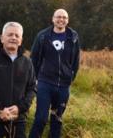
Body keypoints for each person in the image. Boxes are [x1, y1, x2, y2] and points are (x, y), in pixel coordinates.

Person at [29, 9, 81, 138]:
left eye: (64, 17)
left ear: (67, 21)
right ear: (53, 19)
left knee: (57, 119)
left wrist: (70, 78)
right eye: (58, 17)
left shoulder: (73, 37)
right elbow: (34, 58)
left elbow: (76, 60)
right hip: (44, 83)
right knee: (41, 118)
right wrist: (34, 79)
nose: (61, 19)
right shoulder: (42, 36)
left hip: (64, 85)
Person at [0, 22, 36, 138]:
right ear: (2, 38)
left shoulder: (27, 63)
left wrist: (20, 108)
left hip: (18, 120)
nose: (13, 38)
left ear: (21, 40)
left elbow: (32, 89)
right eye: (10, 35)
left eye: (16, 36)